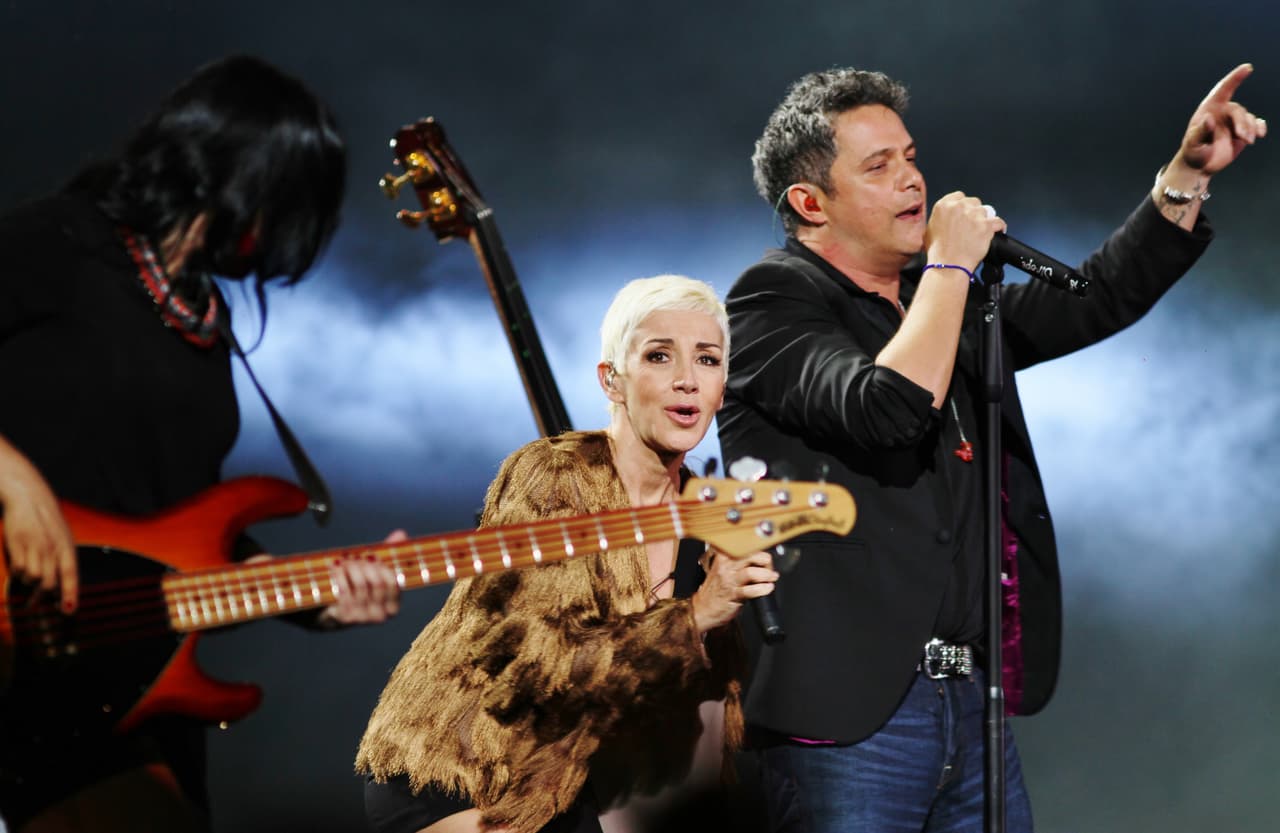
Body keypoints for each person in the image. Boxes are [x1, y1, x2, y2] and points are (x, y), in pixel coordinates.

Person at [716, 64, 1265, 832]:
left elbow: (1095, 296)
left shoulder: (942, 303)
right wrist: (947, 265)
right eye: (880, 167)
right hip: (851, 724)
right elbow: (887, 408)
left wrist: (1185, 177)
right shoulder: (771, 300)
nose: (914, 180)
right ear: (810, 203)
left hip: (972, 705)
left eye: (910, 156)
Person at [0, 55, 401, 832]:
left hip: (128, 690)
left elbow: (177, 532)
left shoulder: (206, 329)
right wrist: (9, 475)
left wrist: (315, 598)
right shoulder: (65, 242)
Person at [357, 275, 778, 833]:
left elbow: (697, 709)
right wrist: (697, 613)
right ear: (612, 381)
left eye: (707, 360)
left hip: (576, 789)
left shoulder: (704, 514)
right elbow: (540, 665)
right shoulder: (554, 476)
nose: (686, 380)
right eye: (659, 356)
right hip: (468, 776)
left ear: (723, 387)